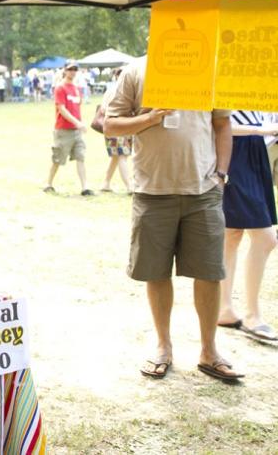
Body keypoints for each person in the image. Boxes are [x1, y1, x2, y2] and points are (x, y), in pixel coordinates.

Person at [105, 58, 244, 382]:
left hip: (203, 190)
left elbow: (222, 124)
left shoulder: (209, 67)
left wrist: (221, 174)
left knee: (210, 271)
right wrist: (151, 117)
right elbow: (111, 124)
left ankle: (209, 351)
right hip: (152, 189)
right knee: (156, 270)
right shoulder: (136, 71)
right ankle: (163, 347)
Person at [218, 110, 278, 343]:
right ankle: (251, 314)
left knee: (231, 234)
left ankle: (225, 308)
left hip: (254, 149)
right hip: (233, 148)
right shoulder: (226, 77)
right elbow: (218, 122)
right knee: (264, 238)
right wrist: (261, 130)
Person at [44, 62, 93, 196]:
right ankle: (48, 184)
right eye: (70, 69)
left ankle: (85, 188)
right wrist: (77, 122)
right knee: (58, 159)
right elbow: (62, 109)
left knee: (80, 157)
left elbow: (77, 107)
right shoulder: (60, 88)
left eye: (75, 69)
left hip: (77, 131)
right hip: (63, 130)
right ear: (64, 70)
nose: (73, 72)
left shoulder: (76, 88)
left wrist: (79, 124)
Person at [99, 68, 132, 193]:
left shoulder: (114, 90)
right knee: (122, 154)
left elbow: (102, 109)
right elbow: (103, 110)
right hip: (117, 126)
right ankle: (130, 186)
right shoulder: (114, 90)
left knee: (116, 156)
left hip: (120, 127)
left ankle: (106, 183)